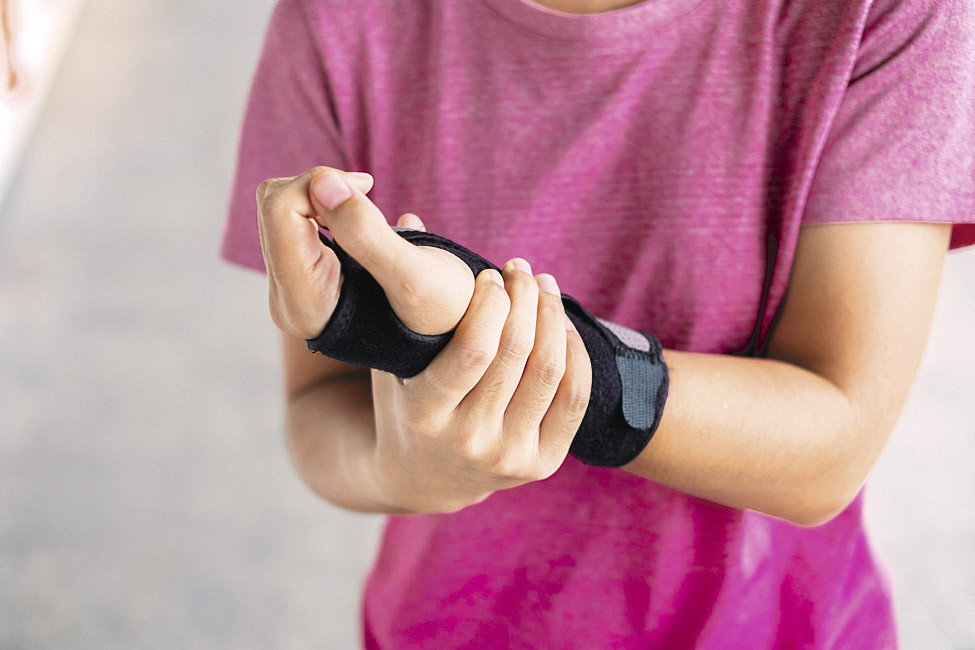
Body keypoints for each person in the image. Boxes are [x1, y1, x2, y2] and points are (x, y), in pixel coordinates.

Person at [220, 0, 975, 646]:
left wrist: (467, 330)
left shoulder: (888, 11)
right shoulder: (337, 15)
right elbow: (318, 405)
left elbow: (831, 446)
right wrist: (404, 471)